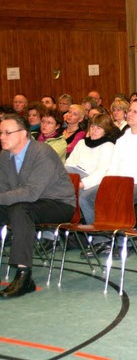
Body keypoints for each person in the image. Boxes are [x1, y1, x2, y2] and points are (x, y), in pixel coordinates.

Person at [0, 114, 76, 298]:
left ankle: (24, 276)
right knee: (20, 209)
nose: (2, 136)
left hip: (58, 203)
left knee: (21, 210)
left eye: (7, 132)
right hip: (26, 204)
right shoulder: (5, 156)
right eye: (1, 132)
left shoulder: (42, 152)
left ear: (24, 133)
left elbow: (30, 193)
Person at [79, 99, 137, 245]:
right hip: (120, 182)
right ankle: (102, 239)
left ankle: (124, 242)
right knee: (86, 197)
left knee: (118, 196)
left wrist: (119, 186)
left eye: (135, 112)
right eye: (129, 110)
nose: (129, 114)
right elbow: (113, 166)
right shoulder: (123, 139)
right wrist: (110, 183)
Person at [65, 113, 120, 191]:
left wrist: (82, 184)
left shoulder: (108, 146)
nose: (94, 130)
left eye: (99, 128)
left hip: (89, 179)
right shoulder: (82, 142)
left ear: (105, 131)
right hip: (73, 173)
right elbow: (69, 162)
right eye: (92, 126)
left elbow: (101, 171)